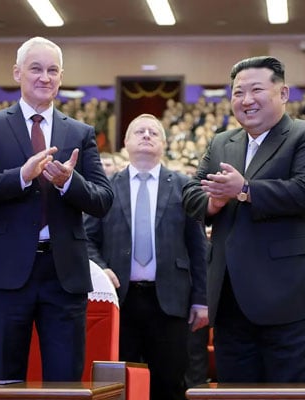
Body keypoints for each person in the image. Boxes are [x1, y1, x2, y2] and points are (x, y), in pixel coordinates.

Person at [0, 36, 113, 381]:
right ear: (17, 73)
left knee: (65, 380)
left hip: (63, 273)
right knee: (5, 379)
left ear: (61, 76)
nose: (45, 77)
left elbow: (103, 199)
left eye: (52, 70)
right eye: (36, 69)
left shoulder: (81, 132)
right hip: (5, 273)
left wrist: (69, 183)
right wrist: (20, 177)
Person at [182, 56, 305, 383]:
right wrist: (215, 201)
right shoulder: (222, 142)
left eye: (256, 90)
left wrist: (246, 189)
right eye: (238, 92)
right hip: (231, 300)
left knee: (295, 392)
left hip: (293, 299)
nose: (246, 100)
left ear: (283, 93)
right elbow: (191, 192)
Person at [85, 114, 208, 400]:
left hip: (170, 300)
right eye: (139, 131)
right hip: (120, 298)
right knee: (120, 380)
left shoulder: (183, 185)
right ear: (126, 142)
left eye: (154, 132)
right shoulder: (106, 187)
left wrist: (201, 299)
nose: (146, 136)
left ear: (164, 144)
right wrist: (101, 269)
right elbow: (88, 239)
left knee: (169, 381)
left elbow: (198, 246)